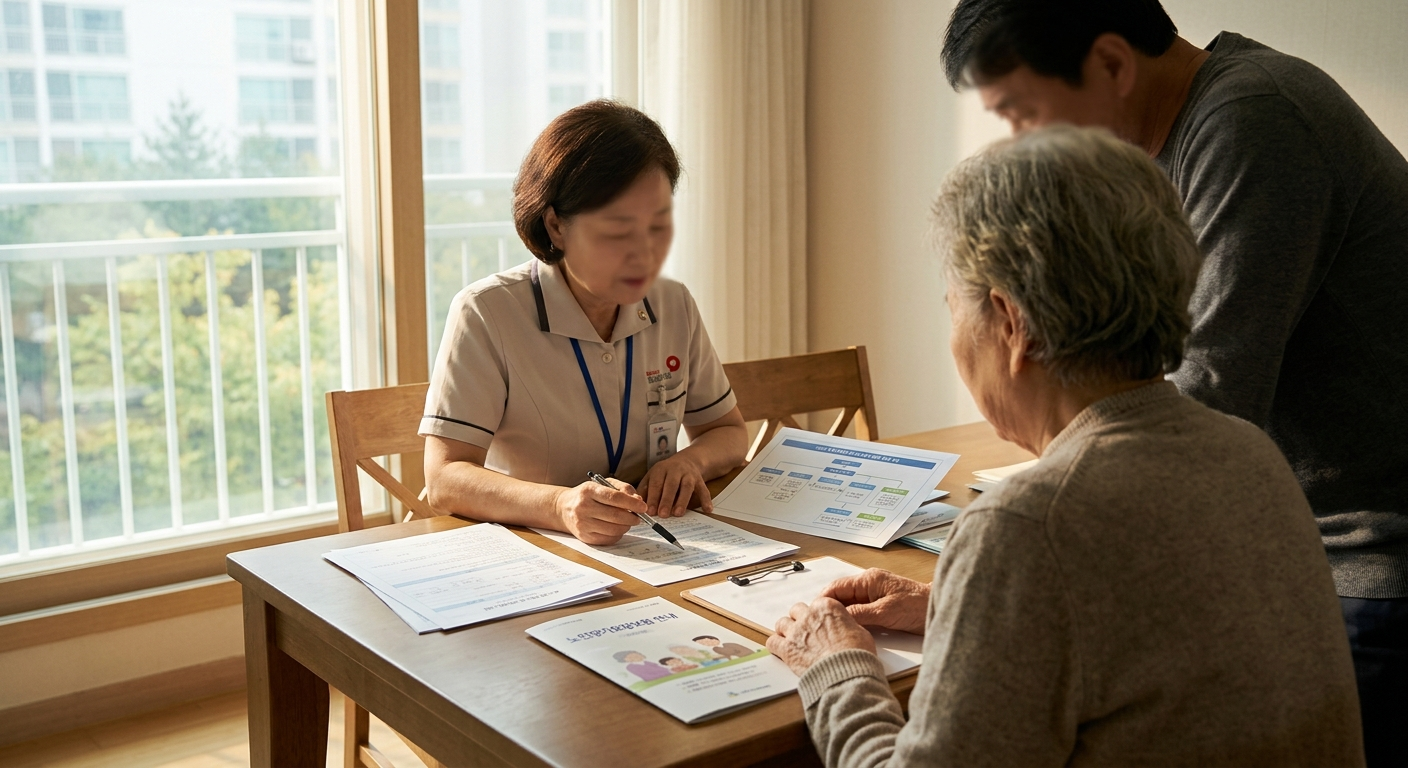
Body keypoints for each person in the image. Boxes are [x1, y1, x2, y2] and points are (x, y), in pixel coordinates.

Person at [766, 126, 1362, 767]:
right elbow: (1153, 632)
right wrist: (954, 608)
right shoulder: (1250, 454)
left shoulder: (1027, 522)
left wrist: (838, 667)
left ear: (1011, 323)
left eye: (952, 308)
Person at [937, 4, 1408, 762]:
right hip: (1286, 538)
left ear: (1115, 65)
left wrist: (1029, 547)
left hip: (1366, 557)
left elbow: (1204, 396)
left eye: (1023, 114)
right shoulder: (1169, 147)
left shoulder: (1252, 121)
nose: (1023, 147)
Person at [421, 100, 748, 545]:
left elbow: (727, 432)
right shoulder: (486, 312)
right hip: (529, 551)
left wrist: (691, 462)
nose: (644, 253)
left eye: (657, 226)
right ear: (556, 225)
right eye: (617, 230)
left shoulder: (673, 303)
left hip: (654, 548)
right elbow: (444, 479)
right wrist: (559, 506)